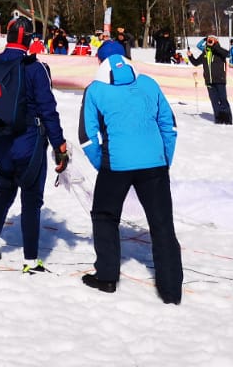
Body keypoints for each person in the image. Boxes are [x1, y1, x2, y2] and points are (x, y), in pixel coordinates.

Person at [78, 52, 182, 304]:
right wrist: (164, 159)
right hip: (154, 164)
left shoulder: (95, 90)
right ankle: (171, 291)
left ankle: (106, 276)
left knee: (105, 216)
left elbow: (87, 136)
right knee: (162, 224)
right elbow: (169, 125)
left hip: (116, 164)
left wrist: (102, 164)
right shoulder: (149, 83)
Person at [0, 17, 69, 274]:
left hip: (0, 143)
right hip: (29, 145)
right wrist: (59, 145)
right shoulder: (35, 68)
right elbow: (48, 110)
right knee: (31, 200)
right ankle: (30, 261)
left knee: (3, 194)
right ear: (29, 40)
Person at [188, 35, 233, 125]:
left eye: (212, 40)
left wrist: (214, 46)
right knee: (214, 101)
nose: (210, 41)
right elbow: (196, 63)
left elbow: (227, 54)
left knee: (223, 99)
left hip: (219, 80)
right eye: (209, 40)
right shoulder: (205, 52)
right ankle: (218, 119)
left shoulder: (219, 51)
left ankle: (227, 120)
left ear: (216, 41)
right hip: (209, 81)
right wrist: (190, 56)